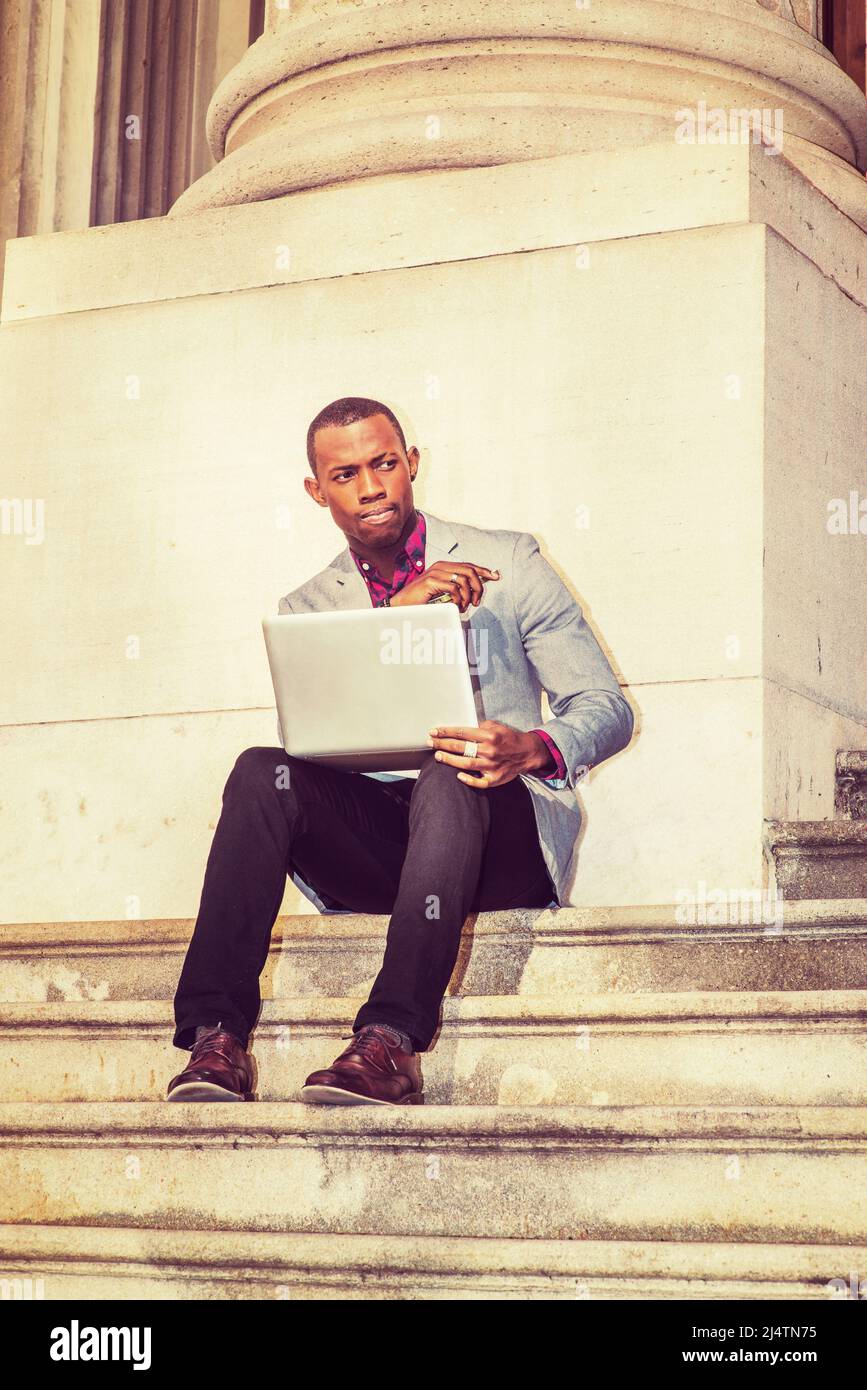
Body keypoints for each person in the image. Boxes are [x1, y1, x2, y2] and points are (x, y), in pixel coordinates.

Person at [167, 397, 633, 1106]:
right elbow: (319, 747)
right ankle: (217, 1039)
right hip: (384, 855)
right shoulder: (309, 607)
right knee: (261, 770)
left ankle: (389, 1043)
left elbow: (605, 707)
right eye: (346, 474)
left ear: (411, 462)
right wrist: (397, 618)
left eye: (384, 464)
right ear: (316, 490)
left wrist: (531, 748)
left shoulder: (510, 559)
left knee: (444, 770)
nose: (371, 487)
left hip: (495, 846)